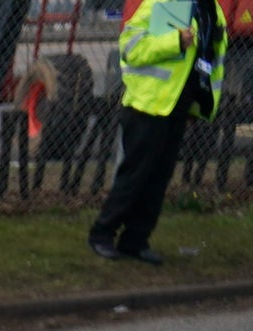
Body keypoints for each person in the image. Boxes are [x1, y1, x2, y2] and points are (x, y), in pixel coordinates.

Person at [92, 0, 225, 264]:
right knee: (134, 176)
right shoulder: (161, 3)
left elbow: (209, 58)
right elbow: (132, 49)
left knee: (157, 180)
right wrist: (174, 41)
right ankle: (102, 235)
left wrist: (198, 104)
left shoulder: (212, 9)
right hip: (148, 105)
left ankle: (135, 241)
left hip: (178, 106)